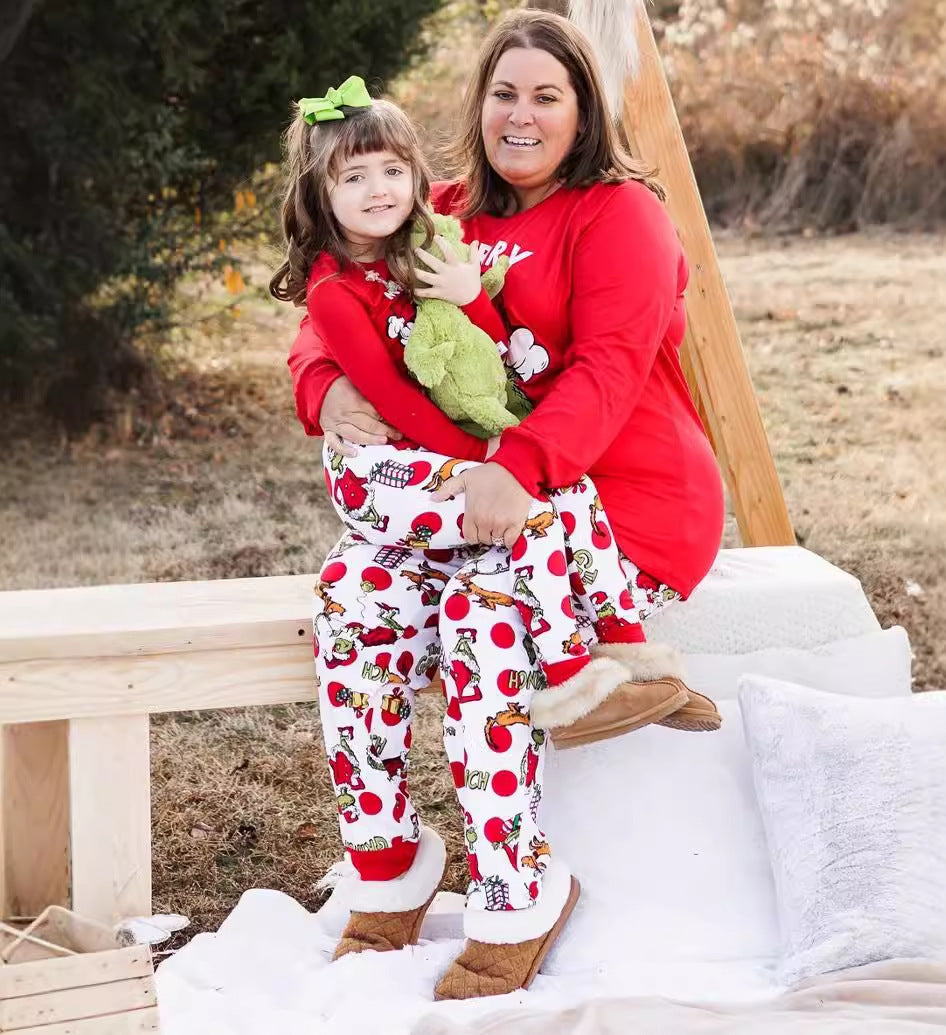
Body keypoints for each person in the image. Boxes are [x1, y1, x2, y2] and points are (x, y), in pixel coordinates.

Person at [287, 10, 725, 1001]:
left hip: (616, 507)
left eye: (547, 97)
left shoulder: (619, 216)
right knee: (352, 593)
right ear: (477, 104)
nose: (520, 117)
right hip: (473, 501)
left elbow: (610, 371)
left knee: (484, 615)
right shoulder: (442, 208)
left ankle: (523, 887)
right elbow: (343, 293)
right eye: (503, 93)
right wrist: (322, 385)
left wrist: (518, 465)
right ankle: (390, 863)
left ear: (584, 115)